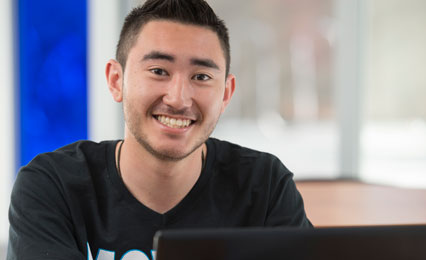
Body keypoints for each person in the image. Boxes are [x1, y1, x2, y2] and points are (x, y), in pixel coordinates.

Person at [7, 0, 312, 259]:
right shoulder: (52, 187)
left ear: (226, 94)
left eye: (202, 76)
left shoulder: (264, 186)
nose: (178, 99)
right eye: (158, 71)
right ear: (116, 80)